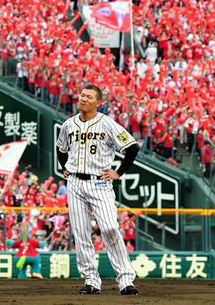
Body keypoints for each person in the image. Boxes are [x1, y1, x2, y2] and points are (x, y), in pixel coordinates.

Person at [56, 84, 140, 296]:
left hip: (99, 182)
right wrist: (64, 167)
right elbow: (61, 148)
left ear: (98, 103)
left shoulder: (107, 124)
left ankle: (126, 279)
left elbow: (132, 147)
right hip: (75, 183)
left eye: (89, 97)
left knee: (110, 228)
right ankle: (91, 280)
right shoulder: (68, 125)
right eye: (82, 95)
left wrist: (118, 172)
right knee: (81, 233)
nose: (83, 99)